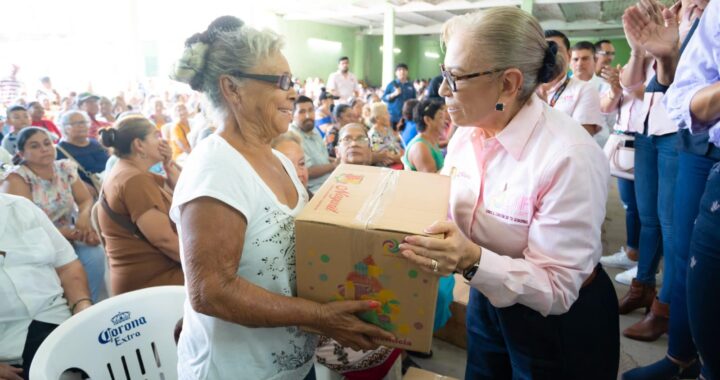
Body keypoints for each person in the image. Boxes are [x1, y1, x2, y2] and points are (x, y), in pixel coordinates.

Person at [168, 16, 393, 380]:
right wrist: (320, 317)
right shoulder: (216, 169)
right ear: (232, 88)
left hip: (290, 364)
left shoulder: (278, 161)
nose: (293, 92)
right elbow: (211, 292)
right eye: (281, 82)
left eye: (294, 81)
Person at [398, 7, 618, 379]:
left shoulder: (568, 157)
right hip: (488, 293)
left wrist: (469, 258)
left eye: (456, 78)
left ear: (508, 84)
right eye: (443, 74)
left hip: (555, 319)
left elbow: (559, 287)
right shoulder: (468, 132)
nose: (440, 91)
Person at [623, 0, 716, 378]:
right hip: (697, 139)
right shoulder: (688, 16)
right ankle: (682, 355)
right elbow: (669, 88)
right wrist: (666, 57)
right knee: (684, 250)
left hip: (686, 138)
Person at [316, 122, 403, 379]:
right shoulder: (320, 197)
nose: (354, 142)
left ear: (371, 147)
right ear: (337, 150)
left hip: (385, 302)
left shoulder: (394, 188)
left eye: (360, 139)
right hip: (335, 314)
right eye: (346, 139)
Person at [0, 127, 107, 303]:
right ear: (22, 153)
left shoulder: (64, 168)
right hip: (34, 240)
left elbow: (86, 200)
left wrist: (83, 218)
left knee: (94, 254)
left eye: (47, 143)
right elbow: (24, 225)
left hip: (70, 233)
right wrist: (67, 233)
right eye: (34, 146)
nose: (44, 149)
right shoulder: (17, 178)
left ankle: (87, 306)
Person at [0, 193, 92, 380]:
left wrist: (83, 307)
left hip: (59, 323)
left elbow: (67, 266)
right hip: (8, 349)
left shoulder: (21, 207)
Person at [97, 115, 183, 295]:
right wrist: (205, 264)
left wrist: (167, 163)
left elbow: (181, 190)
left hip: (154, 273)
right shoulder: (134, 179)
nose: (162, 141)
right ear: (139, 145)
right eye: (155, 136)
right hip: (153, 281)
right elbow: (164, 240)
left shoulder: (129, 171)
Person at [540, 31, 604, 136]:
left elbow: (581, 137)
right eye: (544, 50)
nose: (550, 55)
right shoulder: (527, 91)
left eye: (556, 49)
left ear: (569, 55)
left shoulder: (584, 90)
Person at [55, 110, 110, 198]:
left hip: (110, 188)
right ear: (64, 127)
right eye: (76, 123)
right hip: (87, 195)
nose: (82, 126)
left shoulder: (97, 143)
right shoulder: (59, 151)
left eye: (84, 122)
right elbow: (62, 177)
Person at [291, 95, 338, 193]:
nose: (308, 115)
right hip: (314, 190)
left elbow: (322, 156)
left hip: (330, 181)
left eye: (311, 110)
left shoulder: (313, 129)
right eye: (302, 112)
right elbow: (308, 170)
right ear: (292, 115)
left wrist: (337, 160)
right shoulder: (292, 137)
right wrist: (334, 165)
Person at [402, 100, 445, 173]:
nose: (445, 121)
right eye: (441, 117)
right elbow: (432, 182)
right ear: (427, 120)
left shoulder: (429, 140)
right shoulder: (420, 148)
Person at [368, 102, 404, 169]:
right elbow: (385, 156)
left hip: (398, 164)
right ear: (378, 118)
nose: (389, 116)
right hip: (387, 169)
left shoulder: (387, 129)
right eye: (386, 113)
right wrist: (401, 158)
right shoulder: (374, 135)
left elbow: (395, 147)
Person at [382, 63, 417, 128]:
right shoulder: (391, 84)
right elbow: (384, 98)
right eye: (399, 70)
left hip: (407, 117)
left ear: (407, 72)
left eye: (404, 70)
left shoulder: (410, 86)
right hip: (394, 117)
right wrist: (393, 94)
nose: (402, 72)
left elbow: (414, 100)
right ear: (396, 73)